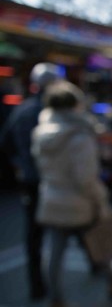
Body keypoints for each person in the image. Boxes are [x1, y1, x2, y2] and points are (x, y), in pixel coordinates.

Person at [31, 81, 112, 307]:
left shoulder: (41, 133)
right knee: (100, 244)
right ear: (76, 105)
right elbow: (86, 178)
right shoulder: (79, 135)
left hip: (52, 198)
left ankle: (55, 298)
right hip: (80, 202)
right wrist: (100, 199)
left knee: (55, 252)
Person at [0, 63, 60, 300]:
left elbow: (5, 144)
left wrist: (20, 165)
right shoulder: (54, 113)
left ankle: (37, 287)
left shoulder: (22, 111)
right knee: (68, 228)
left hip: (31, 180)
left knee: (34, 236)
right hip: (53, 181)